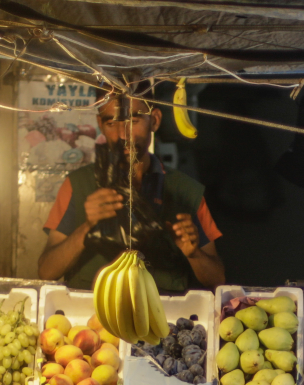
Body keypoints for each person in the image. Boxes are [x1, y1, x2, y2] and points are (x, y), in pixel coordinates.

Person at [36, 91, 226, 293]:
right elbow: (46, 271)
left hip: (161, 317)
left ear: (154, 120)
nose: (122, 135)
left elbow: (217, 278)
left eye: (133, 121)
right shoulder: (77, 184)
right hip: (91, 316)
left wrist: (194, 253)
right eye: (111, 123)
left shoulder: (187, 191)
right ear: (100, 124)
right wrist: (87, 227)